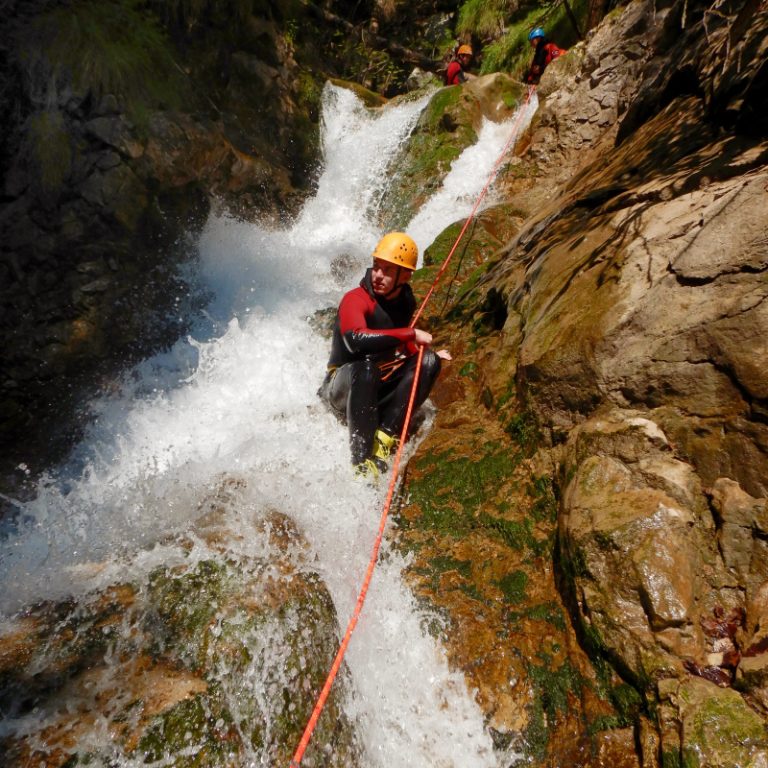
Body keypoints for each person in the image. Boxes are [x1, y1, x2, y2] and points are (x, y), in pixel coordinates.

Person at [319, 233, 451, 477]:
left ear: (406, 276)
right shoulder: (355, 299)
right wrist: (410, 334)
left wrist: (421, 353)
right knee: (366, 368)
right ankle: (361, 458)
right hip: (343, 387)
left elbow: (393, 343)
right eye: (377, 267)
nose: (378, 275)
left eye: (388, 271)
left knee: (429, 360)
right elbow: (356, 341)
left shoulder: (405, 300)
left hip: (375, 382)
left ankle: (385, 436)